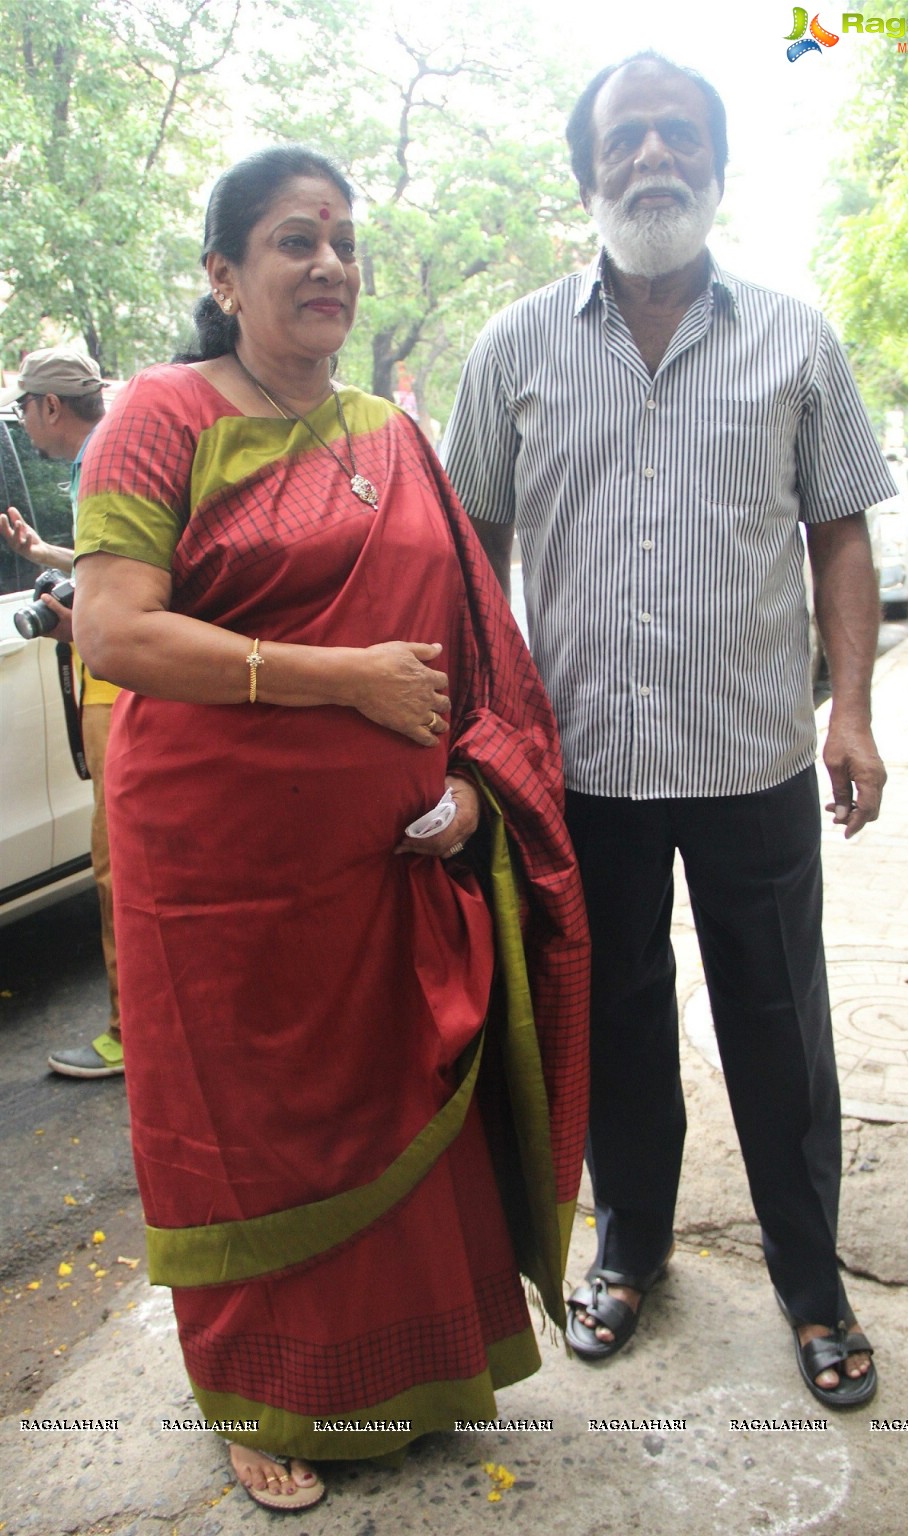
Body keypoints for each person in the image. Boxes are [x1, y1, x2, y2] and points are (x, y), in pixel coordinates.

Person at [71, 146, 589, 1511]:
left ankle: (409, 1379)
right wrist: (342, 679)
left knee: (395, 1104)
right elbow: (116, 629)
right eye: (295, 241)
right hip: (220, 878)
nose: (330, 266)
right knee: (252, 1135)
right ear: (223, 274)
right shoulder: (161, 419)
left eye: (344, 242)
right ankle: (262, 1404)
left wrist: (474, 783)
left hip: (386, 871)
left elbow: (474, 654)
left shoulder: (391, 435)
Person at [443, 52, 897, 1409]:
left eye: (678, 134)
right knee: (619, 1020)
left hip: (755, 754)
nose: (653, 157)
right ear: (587, 172)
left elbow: (842, 532)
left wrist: (856, 713)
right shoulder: (515, 346)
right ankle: (630, 1243)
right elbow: (468, 540)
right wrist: (481, 725)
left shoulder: (795, 337)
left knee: (779, 1022)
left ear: (715, 164)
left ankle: (810, 1278)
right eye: (626, 137)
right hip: (583, 771)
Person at [0, 346, 125, 1078]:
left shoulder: (101, 466)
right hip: (106, 682)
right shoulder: (101, 464)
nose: (25, 422)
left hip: (115, 685)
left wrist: (63, 622)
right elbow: (107, 564)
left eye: (24, 407)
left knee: (118, 868)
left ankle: (126, 1032)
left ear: (50, 406)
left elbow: (122, 602)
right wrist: (46, 550)